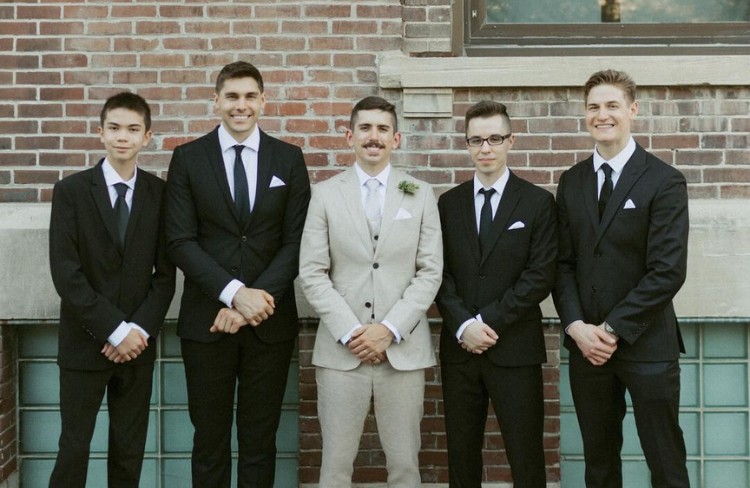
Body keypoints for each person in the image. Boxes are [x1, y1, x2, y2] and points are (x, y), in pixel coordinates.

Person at [164, 61, 310, 487]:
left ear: (263, 101)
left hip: (269, 322)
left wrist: (254, 300)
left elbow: (297, 241)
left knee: (259, 440)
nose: (240, 105)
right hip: (207, 322)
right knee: (208, 441)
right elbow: (179, 241)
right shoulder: (188, 159)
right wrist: (232, 294)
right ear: (216, 101)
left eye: (249, 96)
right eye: (232, 96)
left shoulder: (289, 158)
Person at [554, 69, 690, 488]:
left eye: (612, 105)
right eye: (594, 107)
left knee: (665, 460)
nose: (602, 114)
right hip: (587, 349)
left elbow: (667, 271)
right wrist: (577, 328)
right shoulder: (572, 181)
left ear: (632, 110)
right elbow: (562, 264)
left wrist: (611, 329)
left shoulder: (664, 180)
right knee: (598, 463)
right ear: (585, 115)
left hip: (646, 343)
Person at [299, 96, 443, 487]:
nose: (373, 137)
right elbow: (312, 272)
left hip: (403, 353)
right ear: (350, 136)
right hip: (341, 354)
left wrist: (389, 330)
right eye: (365, 128)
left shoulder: (420, 193)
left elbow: (430, 272)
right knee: (335, 467)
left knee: (404, 466)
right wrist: (352, 332)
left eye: (382, 129)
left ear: (395, 139)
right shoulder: (325, 195)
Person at [48, 92, 176, 488]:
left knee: (128, 448)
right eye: (115, 128)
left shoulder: (160, 194)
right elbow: (66, 273)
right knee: (74, 446)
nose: (123, 137)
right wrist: (113, 330)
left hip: (137, 346)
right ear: (100, 132)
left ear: (147, 136)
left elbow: (165, 274)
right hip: (85, 342)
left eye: (133, 129)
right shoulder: (70, 192)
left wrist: (136, 332)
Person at [435, 100, 556, 488]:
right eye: (476, 140)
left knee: (525, 455)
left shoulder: (537, 203)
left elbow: (539, 276)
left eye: (494, 138)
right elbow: (439, 274)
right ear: (467, 144)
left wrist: (486, 322)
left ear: (510, 141)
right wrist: (463, 324)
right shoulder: (447, 204)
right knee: (462, 456)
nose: (485, 148)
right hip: (460, 350)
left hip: (515, 348)